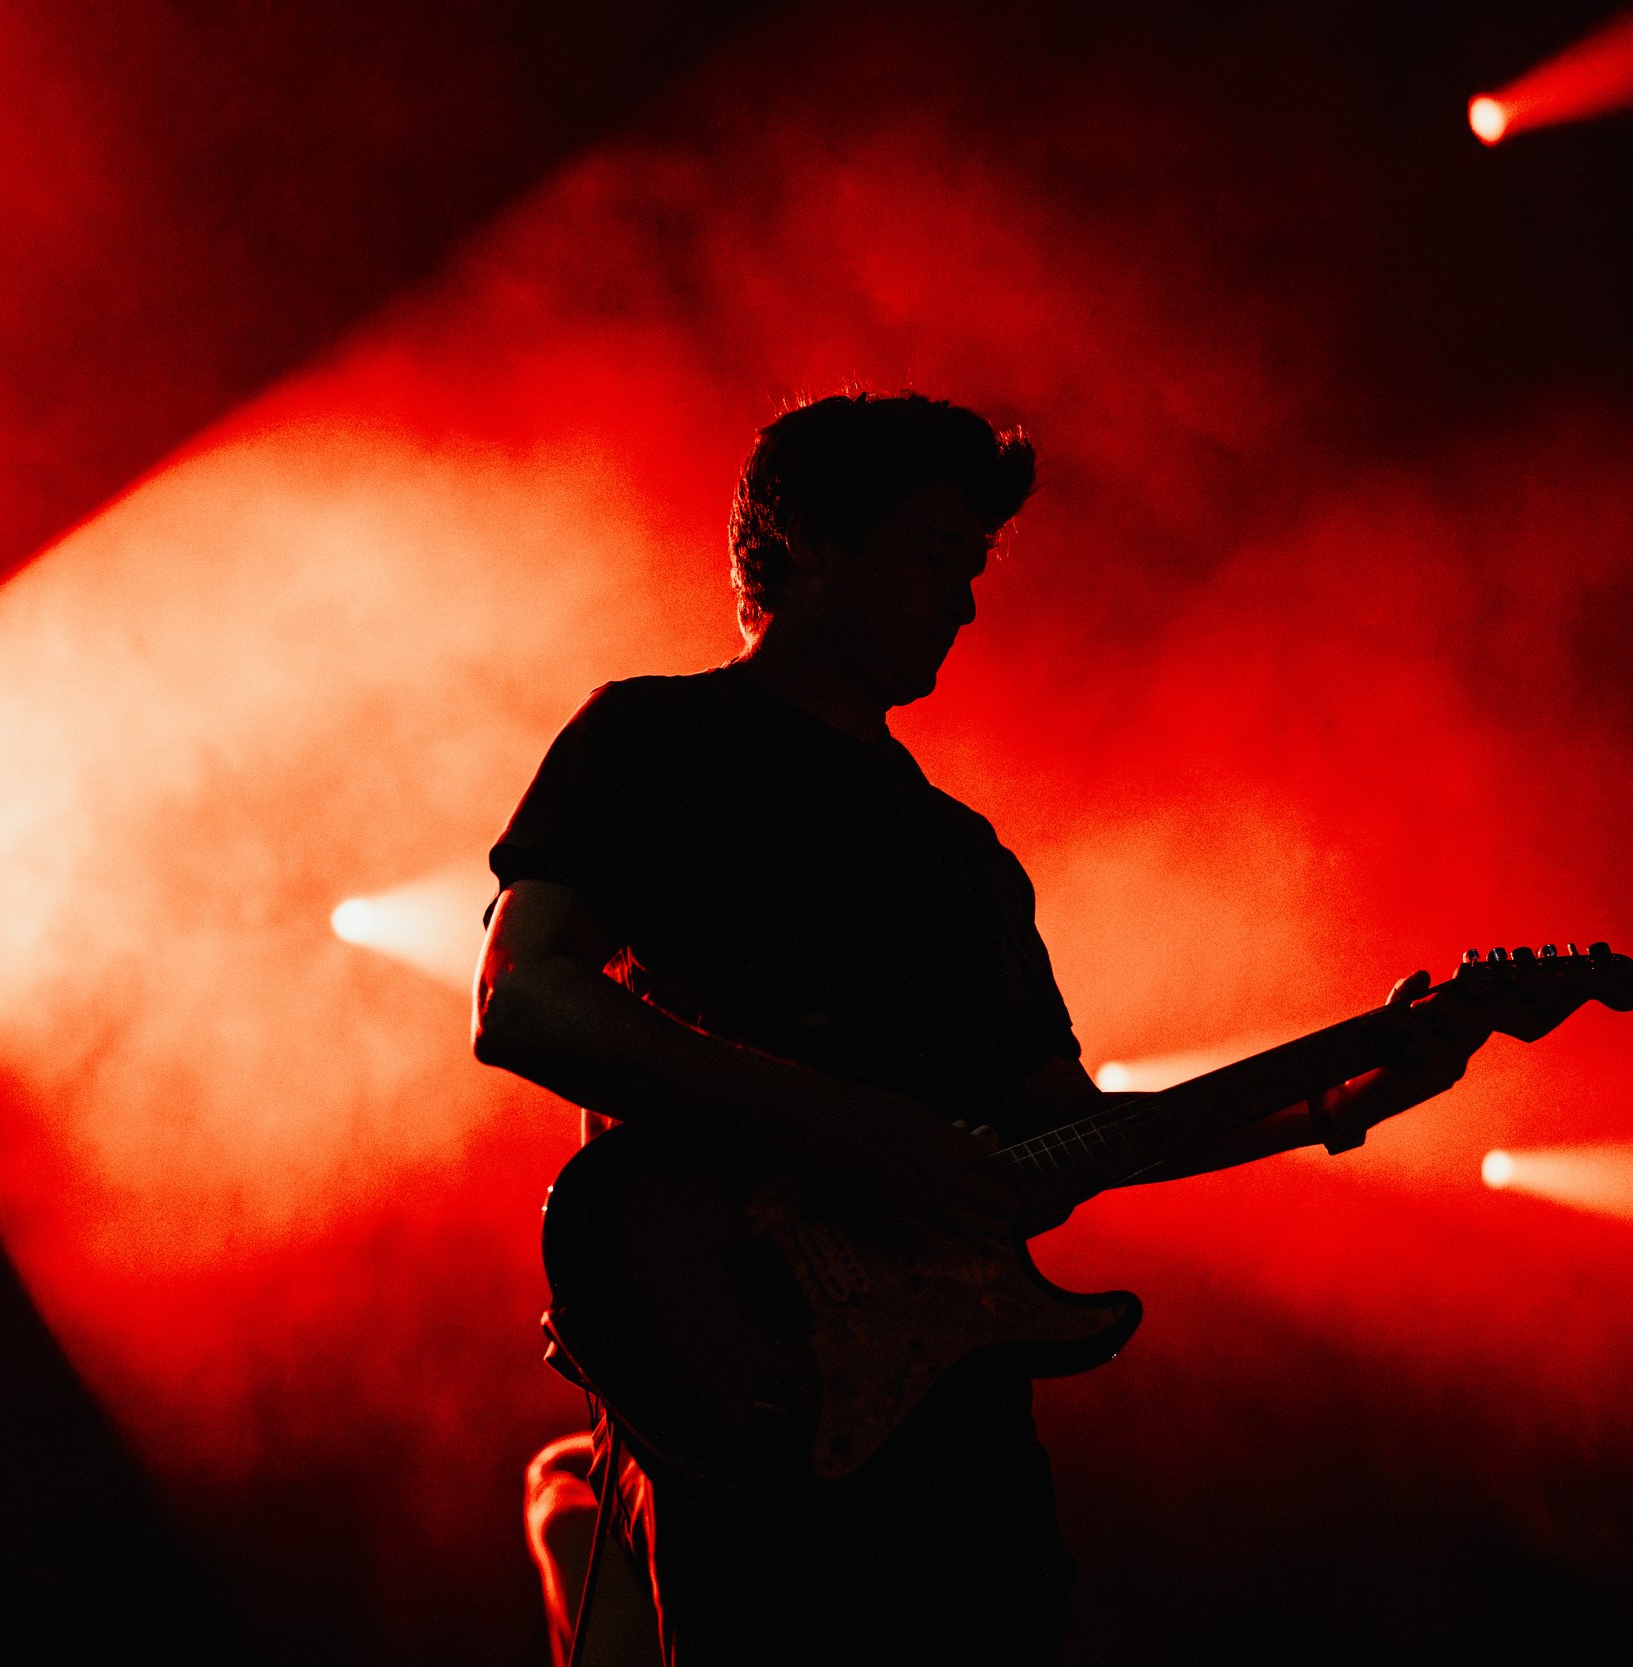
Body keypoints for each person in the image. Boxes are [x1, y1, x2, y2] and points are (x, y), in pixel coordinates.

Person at [474, 392, 1485, 1665]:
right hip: (756, 1382)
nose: (962, 600)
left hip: (959, 1430)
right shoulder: (653, 739)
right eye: (934, 554)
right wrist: (853, 1132)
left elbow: (1064, 1136)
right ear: (809, 541)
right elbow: (521, 996)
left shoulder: (966, 859)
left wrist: (1348, 1094)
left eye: (974, 568)